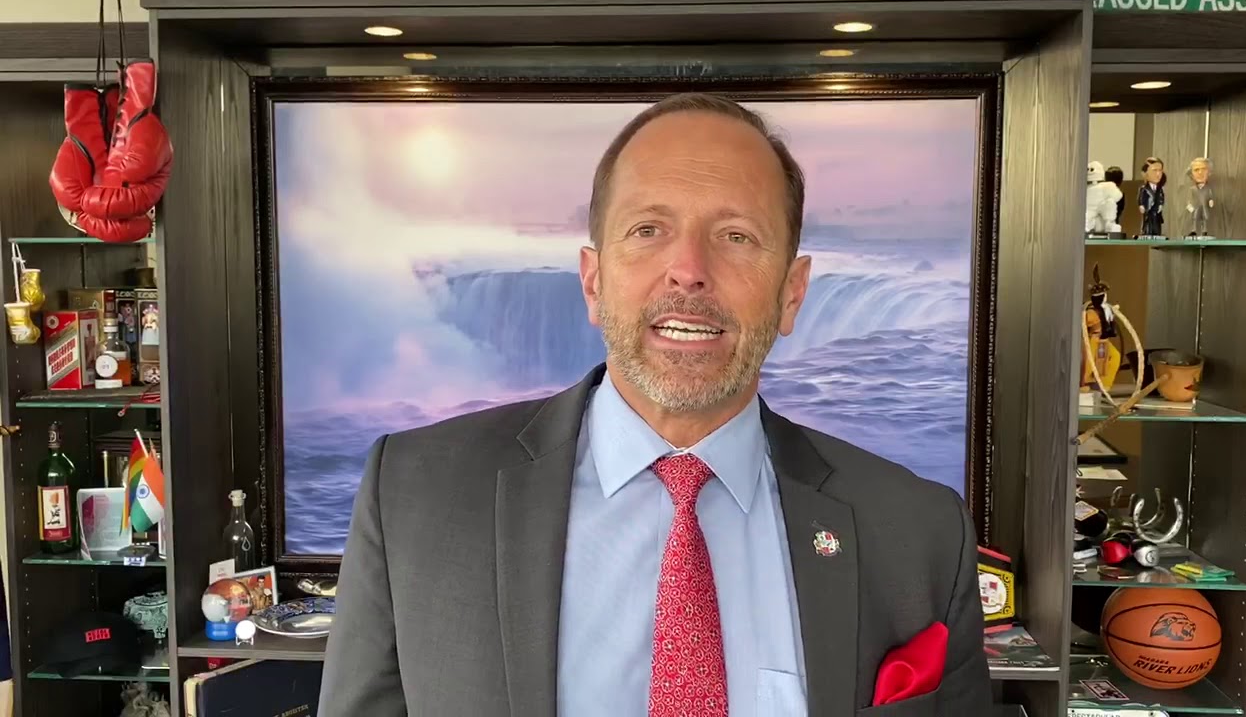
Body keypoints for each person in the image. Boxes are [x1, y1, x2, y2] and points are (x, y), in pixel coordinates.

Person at [318, 92, 992, 717]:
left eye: (736, 236)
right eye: (647, 230)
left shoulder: (920, 536)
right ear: (593, 282)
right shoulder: (414, 496)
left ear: (792, 293)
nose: (689, 270)